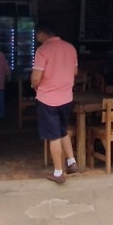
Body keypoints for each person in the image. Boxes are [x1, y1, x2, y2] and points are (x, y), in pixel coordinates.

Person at [31, 23, 78, 184]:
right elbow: (75, 72)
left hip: (48, 99)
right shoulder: (70, 48)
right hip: (66, 98)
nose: (37, 40)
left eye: (37, 36)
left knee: (53, 136)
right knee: (62, 130)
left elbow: (36, 77)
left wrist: (34, 85)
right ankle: (71, 162)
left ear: (43, 34)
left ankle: (58, 173)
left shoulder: (42, 50)